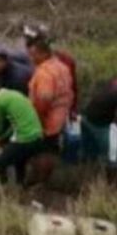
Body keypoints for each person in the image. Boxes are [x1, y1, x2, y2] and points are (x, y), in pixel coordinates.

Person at [0, 73, 45, 185]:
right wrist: (2, 137)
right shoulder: (13, 94)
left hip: (25, 138)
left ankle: (3, 189)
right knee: (19, 161)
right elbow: (14, 124)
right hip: (37, 135)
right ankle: (20, 187)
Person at [27, 35, 74, 182]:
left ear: (43, 54)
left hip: (47, 119)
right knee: (51, 148)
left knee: (42, 150)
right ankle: (46, 178)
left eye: (33, 55)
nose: (31, 58)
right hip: (60, 116)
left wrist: (38, 119)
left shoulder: (44, 73)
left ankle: (39, 181)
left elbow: (43, 99)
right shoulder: (62, 67)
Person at [81, 78, 117, 163]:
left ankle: (88, 162)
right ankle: (109, 169)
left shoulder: (113, 83)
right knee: (110, 152)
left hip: (86, 116)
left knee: (89, 149)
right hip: (98, 124)